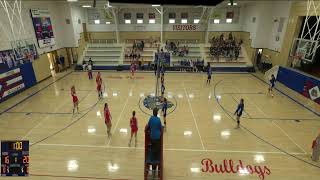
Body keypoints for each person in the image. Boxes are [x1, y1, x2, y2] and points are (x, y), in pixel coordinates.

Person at [145, 108, 162, 177]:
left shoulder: (151, 119)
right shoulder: (158, 119)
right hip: (157, 138)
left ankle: (154, 169)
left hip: (152, 138)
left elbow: (148, 126)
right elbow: (160, 128)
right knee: (156, 154)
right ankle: (154, 171)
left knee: (153, 151)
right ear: (157, 113)